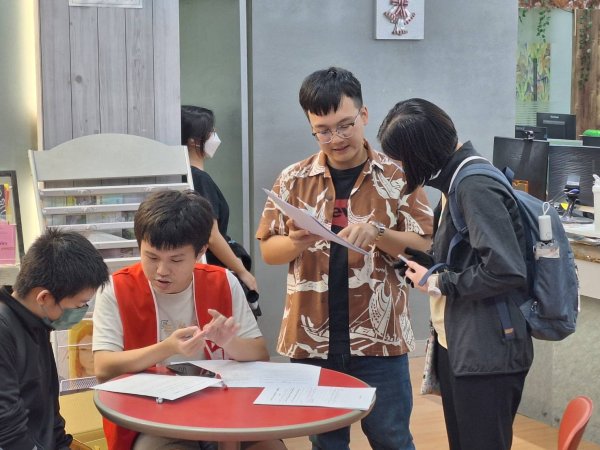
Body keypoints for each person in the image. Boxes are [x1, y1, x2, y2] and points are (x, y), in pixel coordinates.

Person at [256, 67, 433, 450]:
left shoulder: (398, 176)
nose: (335, 139)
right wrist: (296, 242)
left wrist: (380, 233)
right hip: (312, 339)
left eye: (345, 125)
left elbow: (425, 243)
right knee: (326, 443)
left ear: (364, 115)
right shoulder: (293, 178)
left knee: (391, 438)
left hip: (379, 340)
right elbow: (268, 250)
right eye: (322, 130)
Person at [377, 98, 533, 450]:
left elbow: (506, 270)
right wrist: (419, 261)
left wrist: (439, 281)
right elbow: (463, 257)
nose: (399, 168)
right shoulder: (457, 181)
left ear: (421, 153)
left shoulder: (474, 186)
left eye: (400, 159)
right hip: (465, 343)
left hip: (488, 351)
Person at [92, 189, 285, 450]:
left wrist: (230, 343)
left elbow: (259, 354)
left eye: (176, 259)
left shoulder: (223, 281)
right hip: (154, 417)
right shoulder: (116, 288)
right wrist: (168, 348)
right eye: (151, 257)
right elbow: (103, 367)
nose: (162, 271)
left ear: (201, 251)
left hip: (226, 409)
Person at [0, 229, 109, 449]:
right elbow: (8, 431)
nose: (81, 312)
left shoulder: (37, 323)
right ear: (44, 297)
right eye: (79, 305)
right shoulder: (5, 331)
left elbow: (48, 410)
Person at [181, 105, 258, 296]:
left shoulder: (185, 176)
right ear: (193, 140)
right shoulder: (199, 179)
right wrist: (241, 271)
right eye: (211, 132)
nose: (215, 137)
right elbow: (212, 235)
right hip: (210, 270)